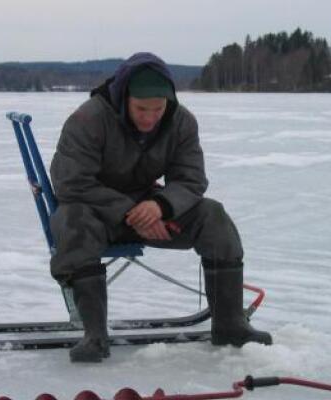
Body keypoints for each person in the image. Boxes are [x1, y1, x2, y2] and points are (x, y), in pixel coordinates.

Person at [50, 52, 272, 363]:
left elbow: (191, 180)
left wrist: (161, 205)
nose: (150, 117)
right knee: (72, 222)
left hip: (153, 212)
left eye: (158, 108)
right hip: (94, 212)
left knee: (214, 217)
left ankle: (230, 325)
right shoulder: (88, 119)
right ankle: (94, 336)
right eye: (141, 108)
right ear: (124, 97)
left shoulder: (181, 122)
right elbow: (70, 183)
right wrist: (133, 211)